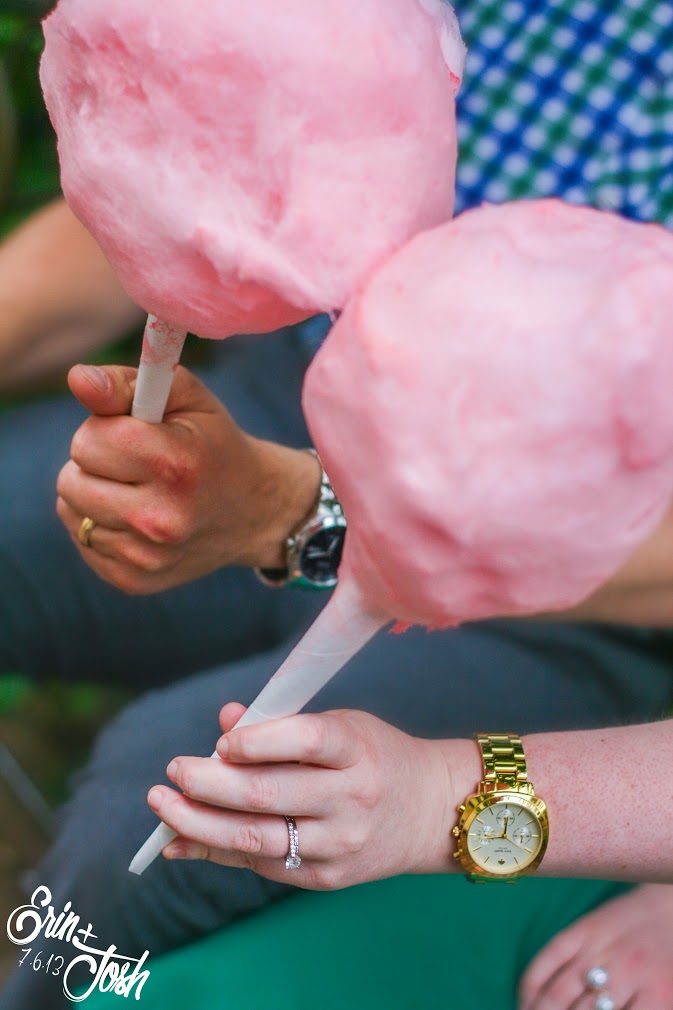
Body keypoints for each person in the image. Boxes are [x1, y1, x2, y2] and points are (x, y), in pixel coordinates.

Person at [1, 1, 673, 1008]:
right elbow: (208, 163)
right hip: (300, 381)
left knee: (169, 809)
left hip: (595, 603)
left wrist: (297, 509)